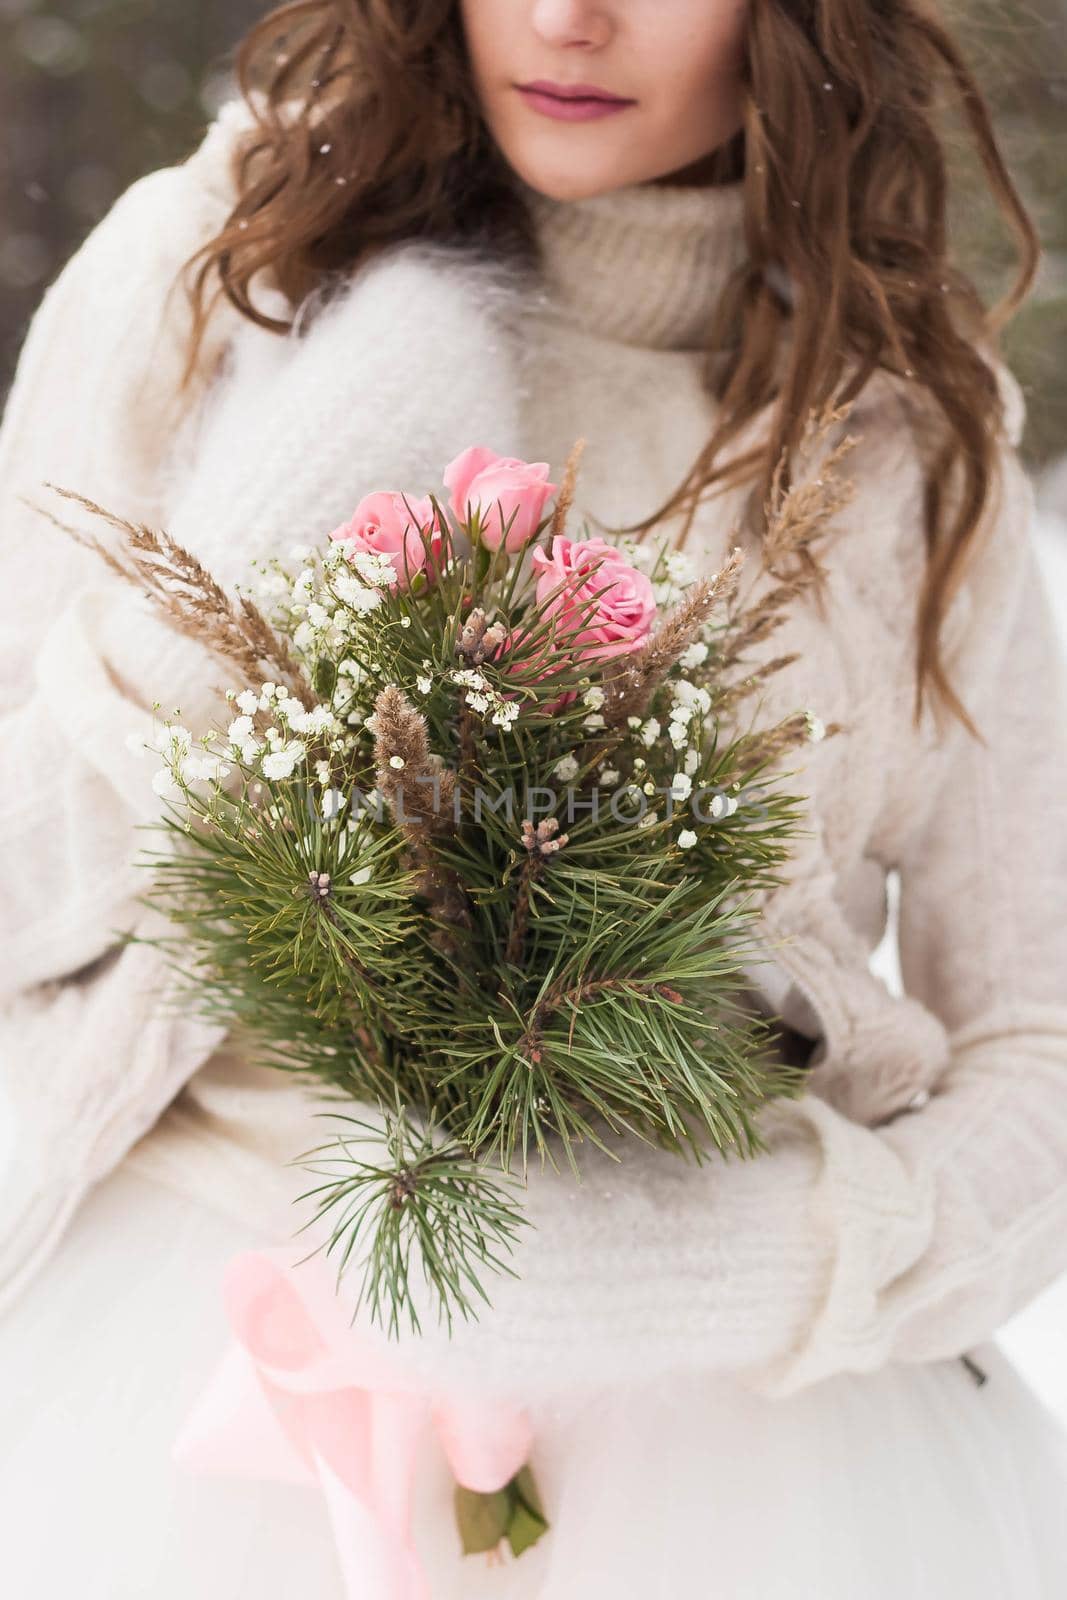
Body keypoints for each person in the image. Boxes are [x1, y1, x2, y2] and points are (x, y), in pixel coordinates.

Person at [2, 1, 1067, 1595]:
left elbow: (1039, 1044)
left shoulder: (906, 427)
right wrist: (229, 587)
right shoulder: (213, 278)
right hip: (185, 1376)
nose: (574, 17)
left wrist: (720, 1266)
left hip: (750, 1468)